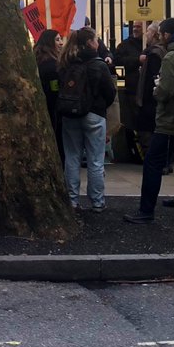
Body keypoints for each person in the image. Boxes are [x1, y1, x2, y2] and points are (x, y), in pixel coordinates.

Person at [123, 19, 174, 226]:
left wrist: (155, 89)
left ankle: (146, 211)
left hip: (170, 121)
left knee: (152, 164)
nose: (160, 36)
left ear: (169, 35)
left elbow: (165, 91)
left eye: (161, 33)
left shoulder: (171, 58)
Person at [57, 27, 116, 211]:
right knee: (96, 160)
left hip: (70, 114)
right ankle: (97, 202)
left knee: (72, 157)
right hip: (94, 114)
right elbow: (110, 92)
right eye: (96, 39)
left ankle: (72, 200)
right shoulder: (98, 64)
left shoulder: (66, 62)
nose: (98, 43)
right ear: (90, 42)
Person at [134, 22, 165, 163]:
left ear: (154, 34)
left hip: (150, 99)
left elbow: (154, 77)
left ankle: (154, 161)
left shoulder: (154, 54)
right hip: (155, 99)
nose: (146, 34)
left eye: (148, 31)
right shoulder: (160, 51)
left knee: (148, 130)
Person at [113, 22, 145, 158]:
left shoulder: (150, 45)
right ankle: (136, 153)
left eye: (139, 27)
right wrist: (137, 60)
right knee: (131, 123)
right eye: (135, 27)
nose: (136, 29)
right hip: (130, 89)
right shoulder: (125, 45)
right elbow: (118, 63)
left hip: (146, 91)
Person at [33, 29, 65, 162]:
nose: (61, 43)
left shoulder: (38, 60)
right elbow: (54, 90)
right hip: (53, 111)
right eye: (57, 40)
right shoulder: (51, 65)